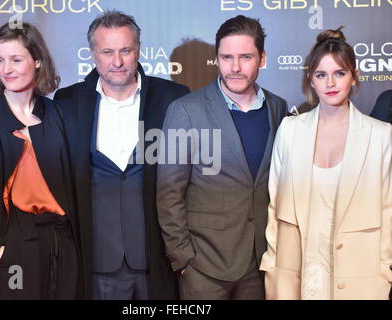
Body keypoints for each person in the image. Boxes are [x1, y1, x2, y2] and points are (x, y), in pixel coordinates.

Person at [54, 11, 189, 299]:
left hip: (158, 259)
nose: (117, 62)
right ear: (92, 54)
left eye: (126, 51)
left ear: (138, 50)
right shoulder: (67, 102)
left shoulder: (173, 98)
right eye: (107, 52)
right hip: (98, 261)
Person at [156, 15, 288, 300]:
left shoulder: (277, 107)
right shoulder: (186, 110)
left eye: (246, 57)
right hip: (203, 266)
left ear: (262, 58)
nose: (235, 67)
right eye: (227, 57)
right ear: (216, 59)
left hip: (259, 262)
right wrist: (183, 259)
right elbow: (169, 192)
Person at [260, 28, 392, 300]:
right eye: (322, 75)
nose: (330, 83)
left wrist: (383, 273)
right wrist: (273, 266)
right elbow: (274, 204)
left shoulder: (380, 135)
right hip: (295, 277)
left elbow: (388, 212)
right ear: (311, 79)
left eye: (340, 73)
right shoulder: (290, 129)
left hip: (361, 280)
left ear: (354, 77)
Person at [0, 22, 78, 299]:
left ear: (37, 61)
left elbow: (75, 181)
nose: (6, 69)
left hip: (62, 244)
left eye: (16, 59)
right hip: (11, 242)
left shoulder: (60, 114)